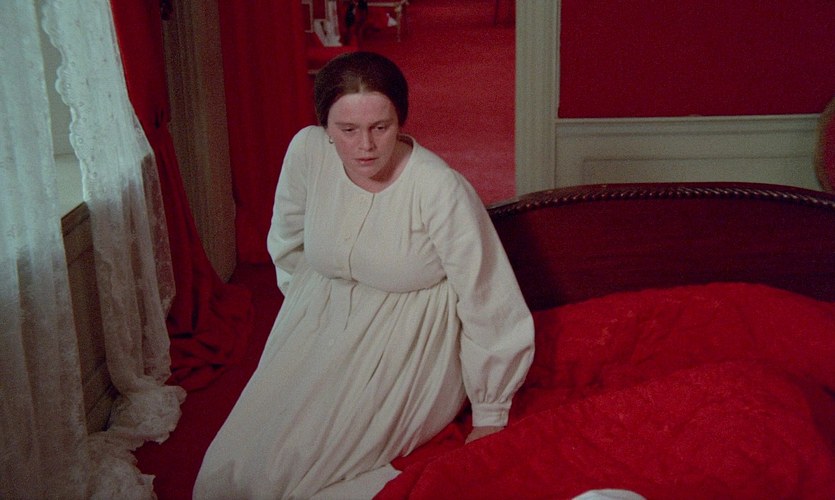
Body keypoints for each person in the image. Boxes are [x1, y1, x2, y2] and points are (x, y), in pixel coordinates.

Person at [193, 51, 534, 499]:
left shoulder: (438, 187)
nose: (365, 146)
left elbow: (487, 295)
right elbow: (287, 239)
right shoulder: (307, 152)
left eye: (380, 127)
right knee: (230, 468)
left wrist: (490, 411)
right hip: (320, 320)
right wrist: (307, 317)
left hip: (408, 345)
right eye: (347, 130)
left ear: (401, 120)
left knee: (293, 469)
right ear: (325, 127)